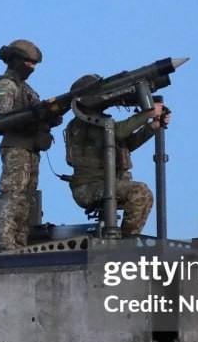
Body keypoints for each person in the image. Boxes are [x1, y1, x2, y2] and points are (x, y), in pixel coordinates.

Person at [63, 73, 168, 237]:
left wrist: (152, 126)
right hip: (89, 187)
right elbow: (119, 132)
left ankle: (124, 241)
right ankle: (126, 243)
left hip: (109, 183)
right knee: (140, 192)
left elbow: (127, 144)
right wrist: (147, 113)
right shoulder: (83, 123)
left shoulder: (99, 121)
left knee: (140, 192)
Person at [0, 39, 59, 250]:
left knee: (27, 201)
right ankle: (7, 244)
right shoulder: (5, 85)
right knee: (15, 197)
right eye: (28, 63)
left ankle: (20, 245)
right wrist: (34, 115)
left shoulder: (27, 89)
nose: (32, 68)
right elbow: (2, 120)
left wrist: (50, 115)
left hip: (31, 149)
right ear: (16, 60)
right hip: (16, 148)